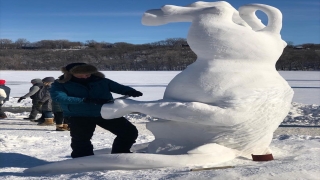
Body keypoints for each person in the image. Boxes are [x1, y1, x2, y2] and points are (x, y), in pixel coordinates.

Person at [50, 63, 142, 158]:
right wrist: (85, 100)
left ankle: (120, 154)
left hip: (105, 112)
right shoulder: (60, 84)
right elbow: (59, 98)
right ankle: (83, 161)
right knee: (81, 140)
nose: (86, 77)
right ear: (70, 74)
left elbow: (118, 87)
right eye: (81, 75)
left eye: (88, 74)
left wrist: (130, 91)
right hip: (79, 115)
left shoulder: (101, 80)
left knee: (129, 132)